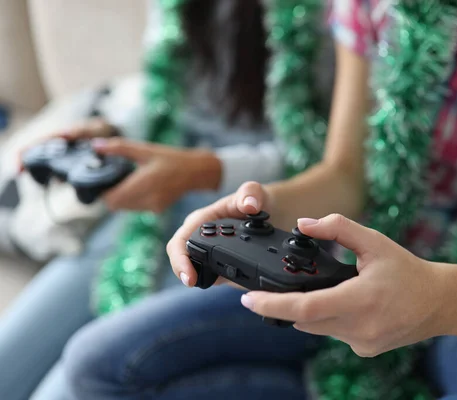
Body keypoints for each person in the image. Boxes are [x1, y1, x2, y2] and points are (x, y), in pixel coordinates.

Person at [60, 0, 457, 399]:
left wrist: (437, 300)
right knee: (97, 365)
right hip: (344, 272)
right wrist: (260, 201)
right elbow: (345, 174)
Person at [0, 1, 315, 399]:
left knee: (70, 387)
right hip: (145, 215)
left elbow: (328, 160)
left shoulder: (325, 15)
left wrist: (203, 170)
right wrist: (109, 133)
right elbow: (163, 97)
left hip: (252, 229)